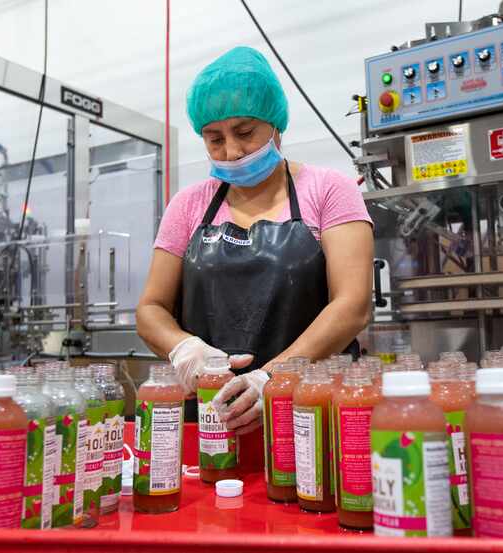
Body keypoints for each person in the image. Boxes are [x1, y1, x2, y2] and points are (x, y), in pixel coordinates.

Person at [136, 46, 373, 436]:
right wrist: (185, 349)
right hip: (213, 420)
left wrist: (271, 380)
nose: (231, 151)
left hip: (310, 415)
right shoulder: (189, 204)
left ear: (276, 123)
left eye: (245, 132)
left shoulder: (329, 190)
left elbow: (352, 306)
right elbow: (151, 308)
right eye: (214, 139)